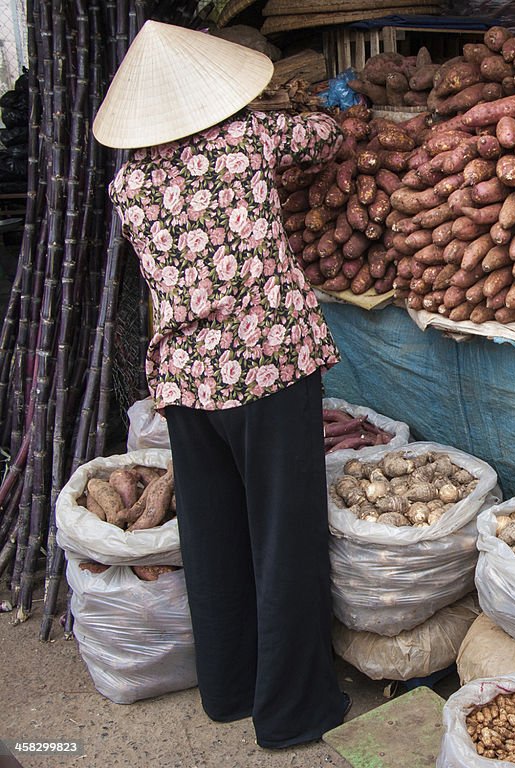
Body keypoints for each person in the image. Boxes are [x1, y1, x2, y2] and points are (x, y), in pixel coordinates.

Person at [93, 21, 350, 748]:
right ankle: (293, 711)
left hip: (187, 378)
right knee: (284, 541)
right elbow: (323, 139)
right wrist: (314, 113)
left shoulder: (129, 182)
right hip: (266, 366)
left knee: (215, 539)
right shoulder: (246, 142)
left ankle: (229, 689)